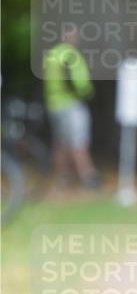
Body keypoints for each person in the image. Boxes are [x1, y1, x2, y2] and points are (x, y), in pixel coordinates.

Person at [43, 23, 100, 189]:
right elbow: (75, 82)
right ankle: (88, 176)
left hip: (54, 104)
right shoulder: (70, 56)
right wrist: (86, 93)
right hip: (71, 104)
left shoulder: (52, 54)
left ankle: (62, 178)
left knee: (61, 143)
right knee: (78, 141)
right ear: (69, 36)